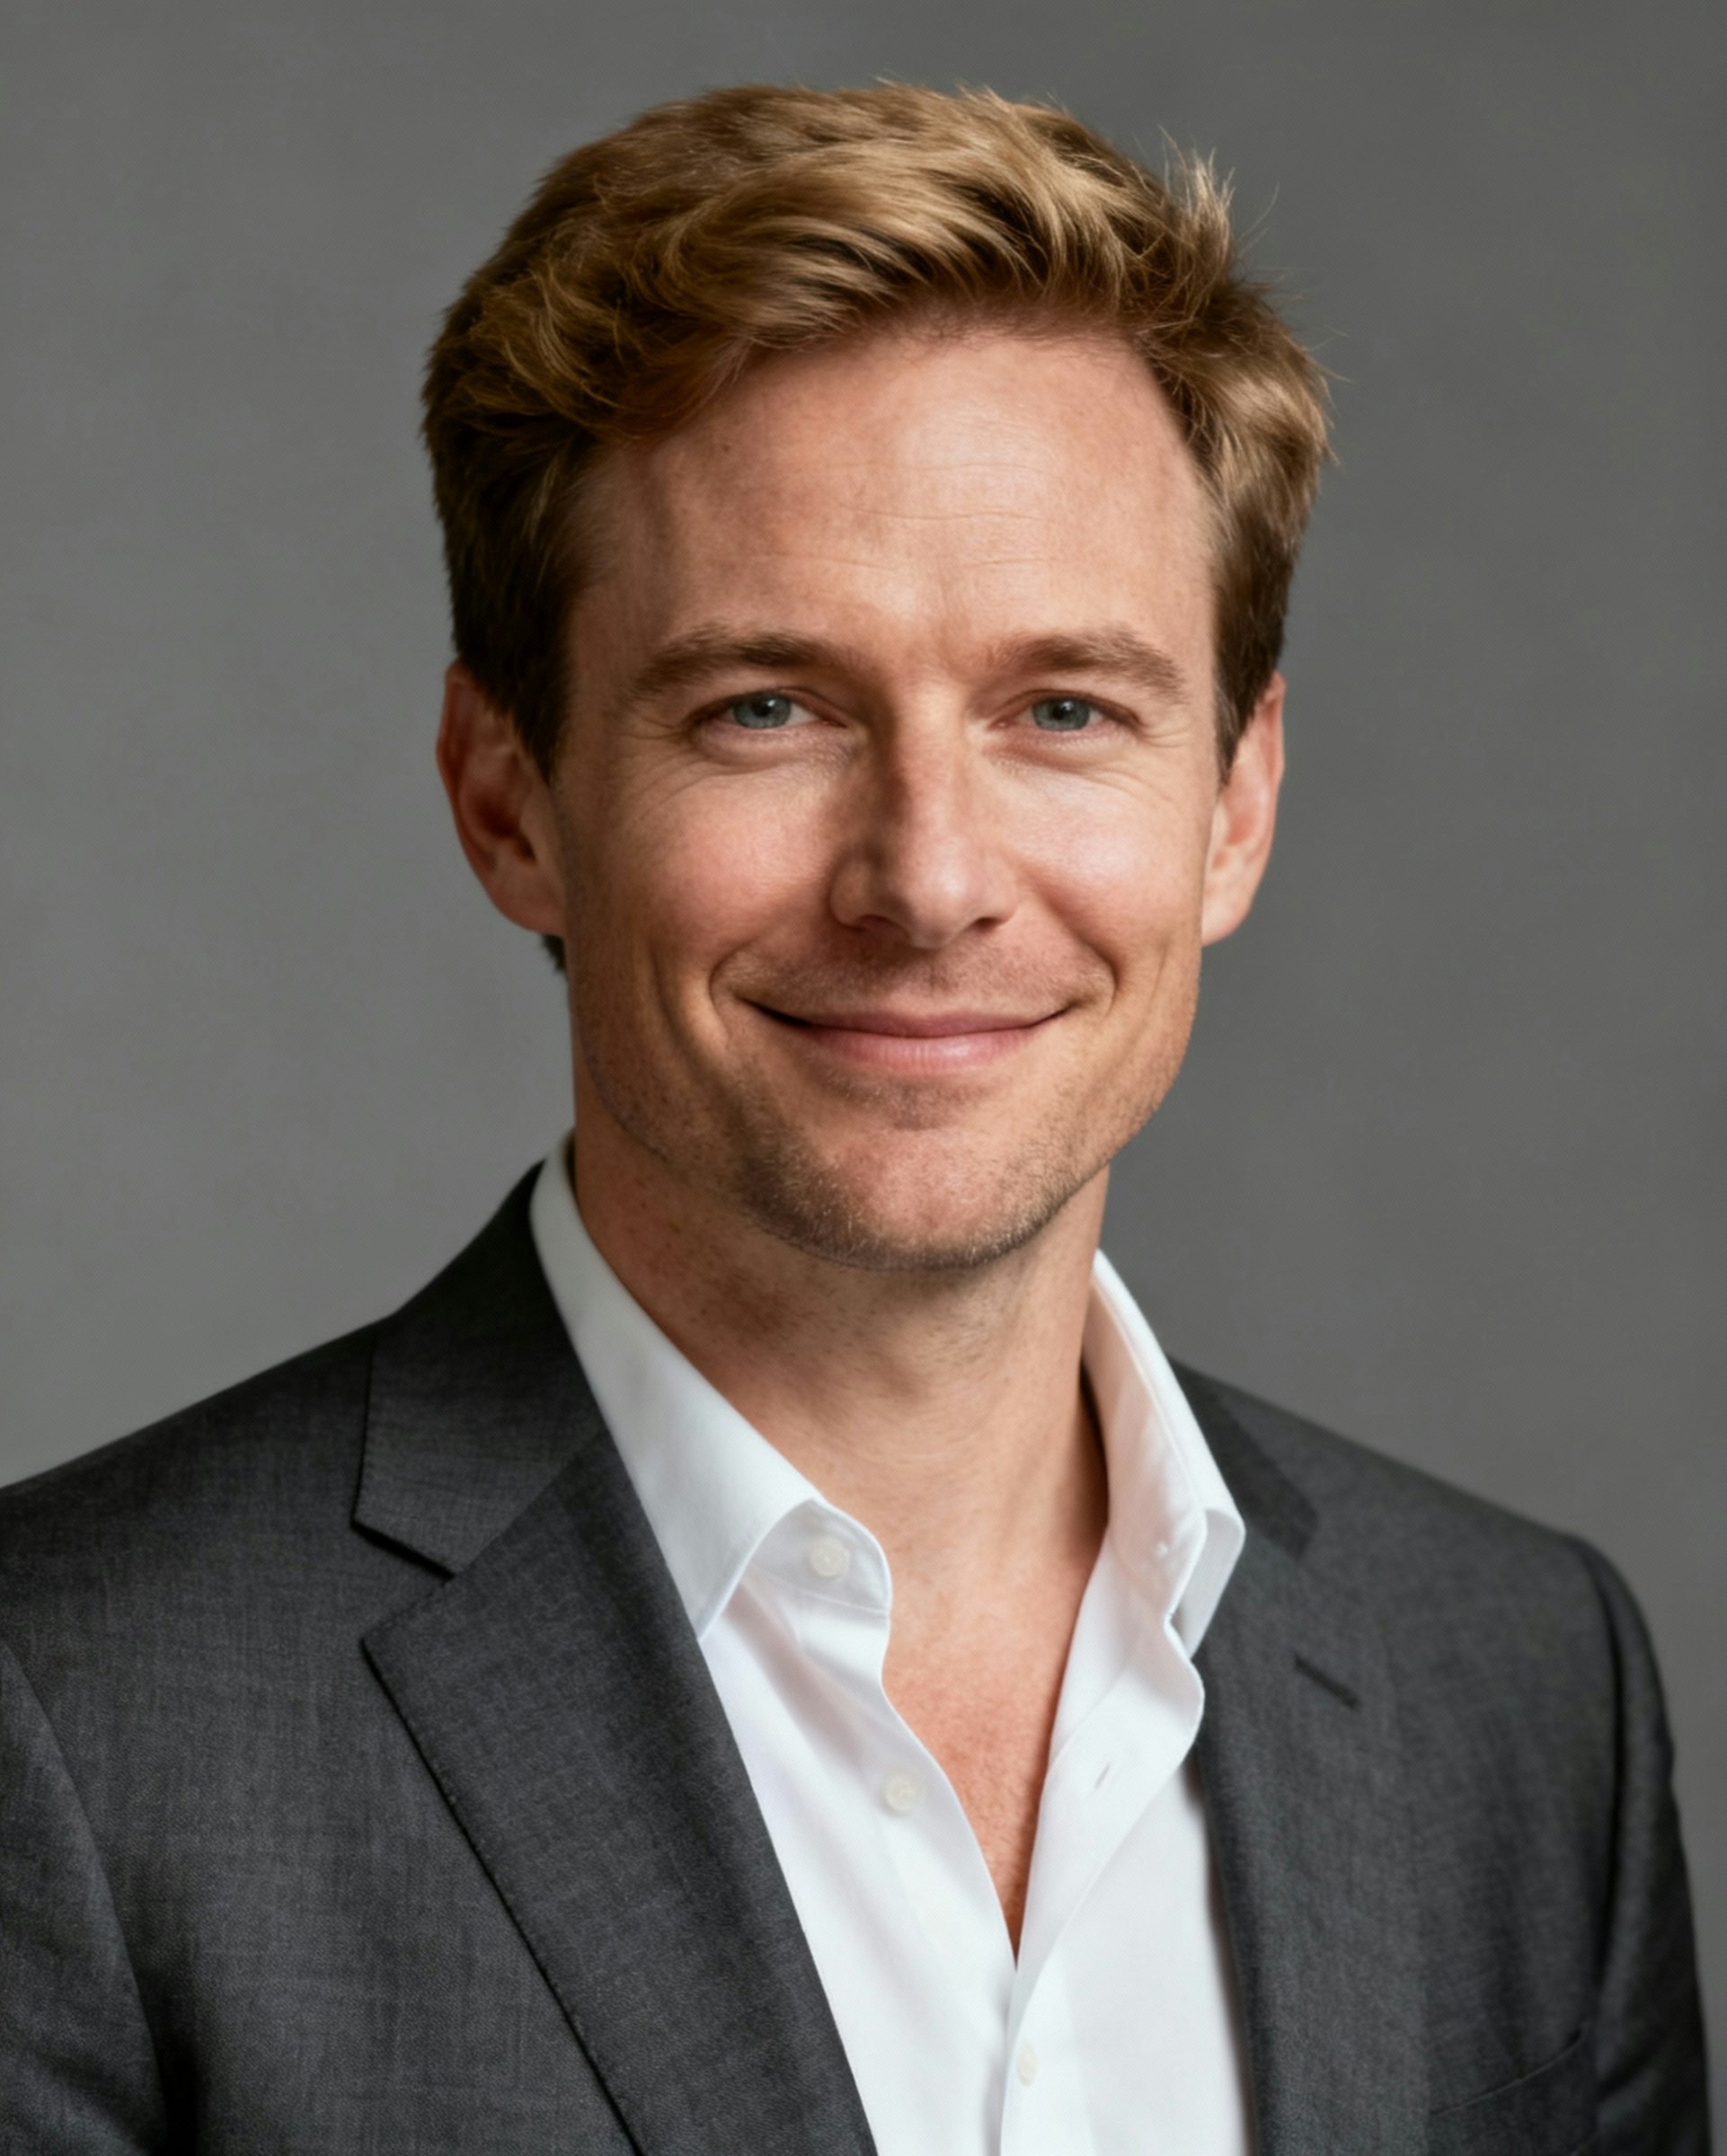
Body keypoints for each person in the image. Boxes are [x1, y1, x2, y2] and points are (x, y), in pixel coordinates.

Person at [0, 82, 1707, 2156]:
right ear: (508, 796)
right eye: (766, 710)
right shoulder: (78, 1721)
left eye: (1062, 709)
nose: (927, 877)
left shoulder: (1517, 1692)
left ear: (1236, 803)